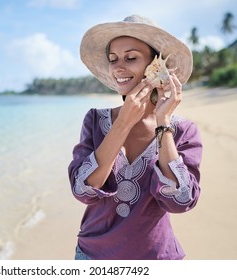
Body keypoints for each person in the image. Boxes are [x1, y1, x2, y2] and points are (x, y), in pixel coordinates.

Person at [68, 15, 203, 260]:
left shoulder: (183, 130)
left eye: (131, 58)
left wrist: (163, 123)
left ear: (157, 66)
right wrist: (123, 123)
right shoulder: (95, 120)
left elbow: (181, 201)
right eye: (113, 60)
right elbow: (82, 190)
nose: (118, 67)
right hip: (92, 257)